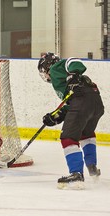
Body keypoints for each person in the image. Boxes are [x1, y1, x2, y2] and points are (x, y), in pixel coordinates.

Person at [38, 52, 104, 189]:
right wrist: (56, 116)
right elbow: (71, 104)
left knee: (68, 138)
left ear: (47, 66)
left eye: (44, 71)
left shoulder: (56, 68)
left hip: (83, 101)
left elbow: (73, 61)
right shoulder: (63, 80)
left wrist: (73, 73)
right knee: (86, 134)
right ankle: (92, 167)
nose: (45, 75)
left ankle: (76, 174)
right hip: (96, 103)